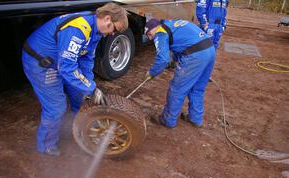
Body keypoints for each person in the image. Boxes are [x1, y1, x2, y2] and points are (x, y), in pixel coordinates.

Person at [22, 3, 128, 156]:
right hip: (41, 62)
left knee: (79, 96)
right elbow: (67, 68)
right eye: (115, 29)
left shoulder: (96, 31)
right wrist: (91, 89)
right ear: (107, 18)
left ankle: (77, 128)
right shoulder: (78, 28)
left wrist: (89, 86)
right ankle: (46, 145)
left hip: (61, 61)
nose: (113, 34)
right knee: (56, 107)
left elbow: (86, 60)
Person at [145, 18, 215, 128]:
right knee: (197, 88)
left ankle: (167, 120)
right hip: (209, 49)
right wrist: (174, 61)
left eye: (149, 34)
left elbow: (163, 59)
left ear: (154, 28)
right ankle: (195, 118)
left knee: (177, 89)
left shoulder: (160, 32)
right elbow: (182, 43)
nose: (150, 38)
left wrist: (152, 73)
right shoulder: (172, 24)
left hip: (195, 56)